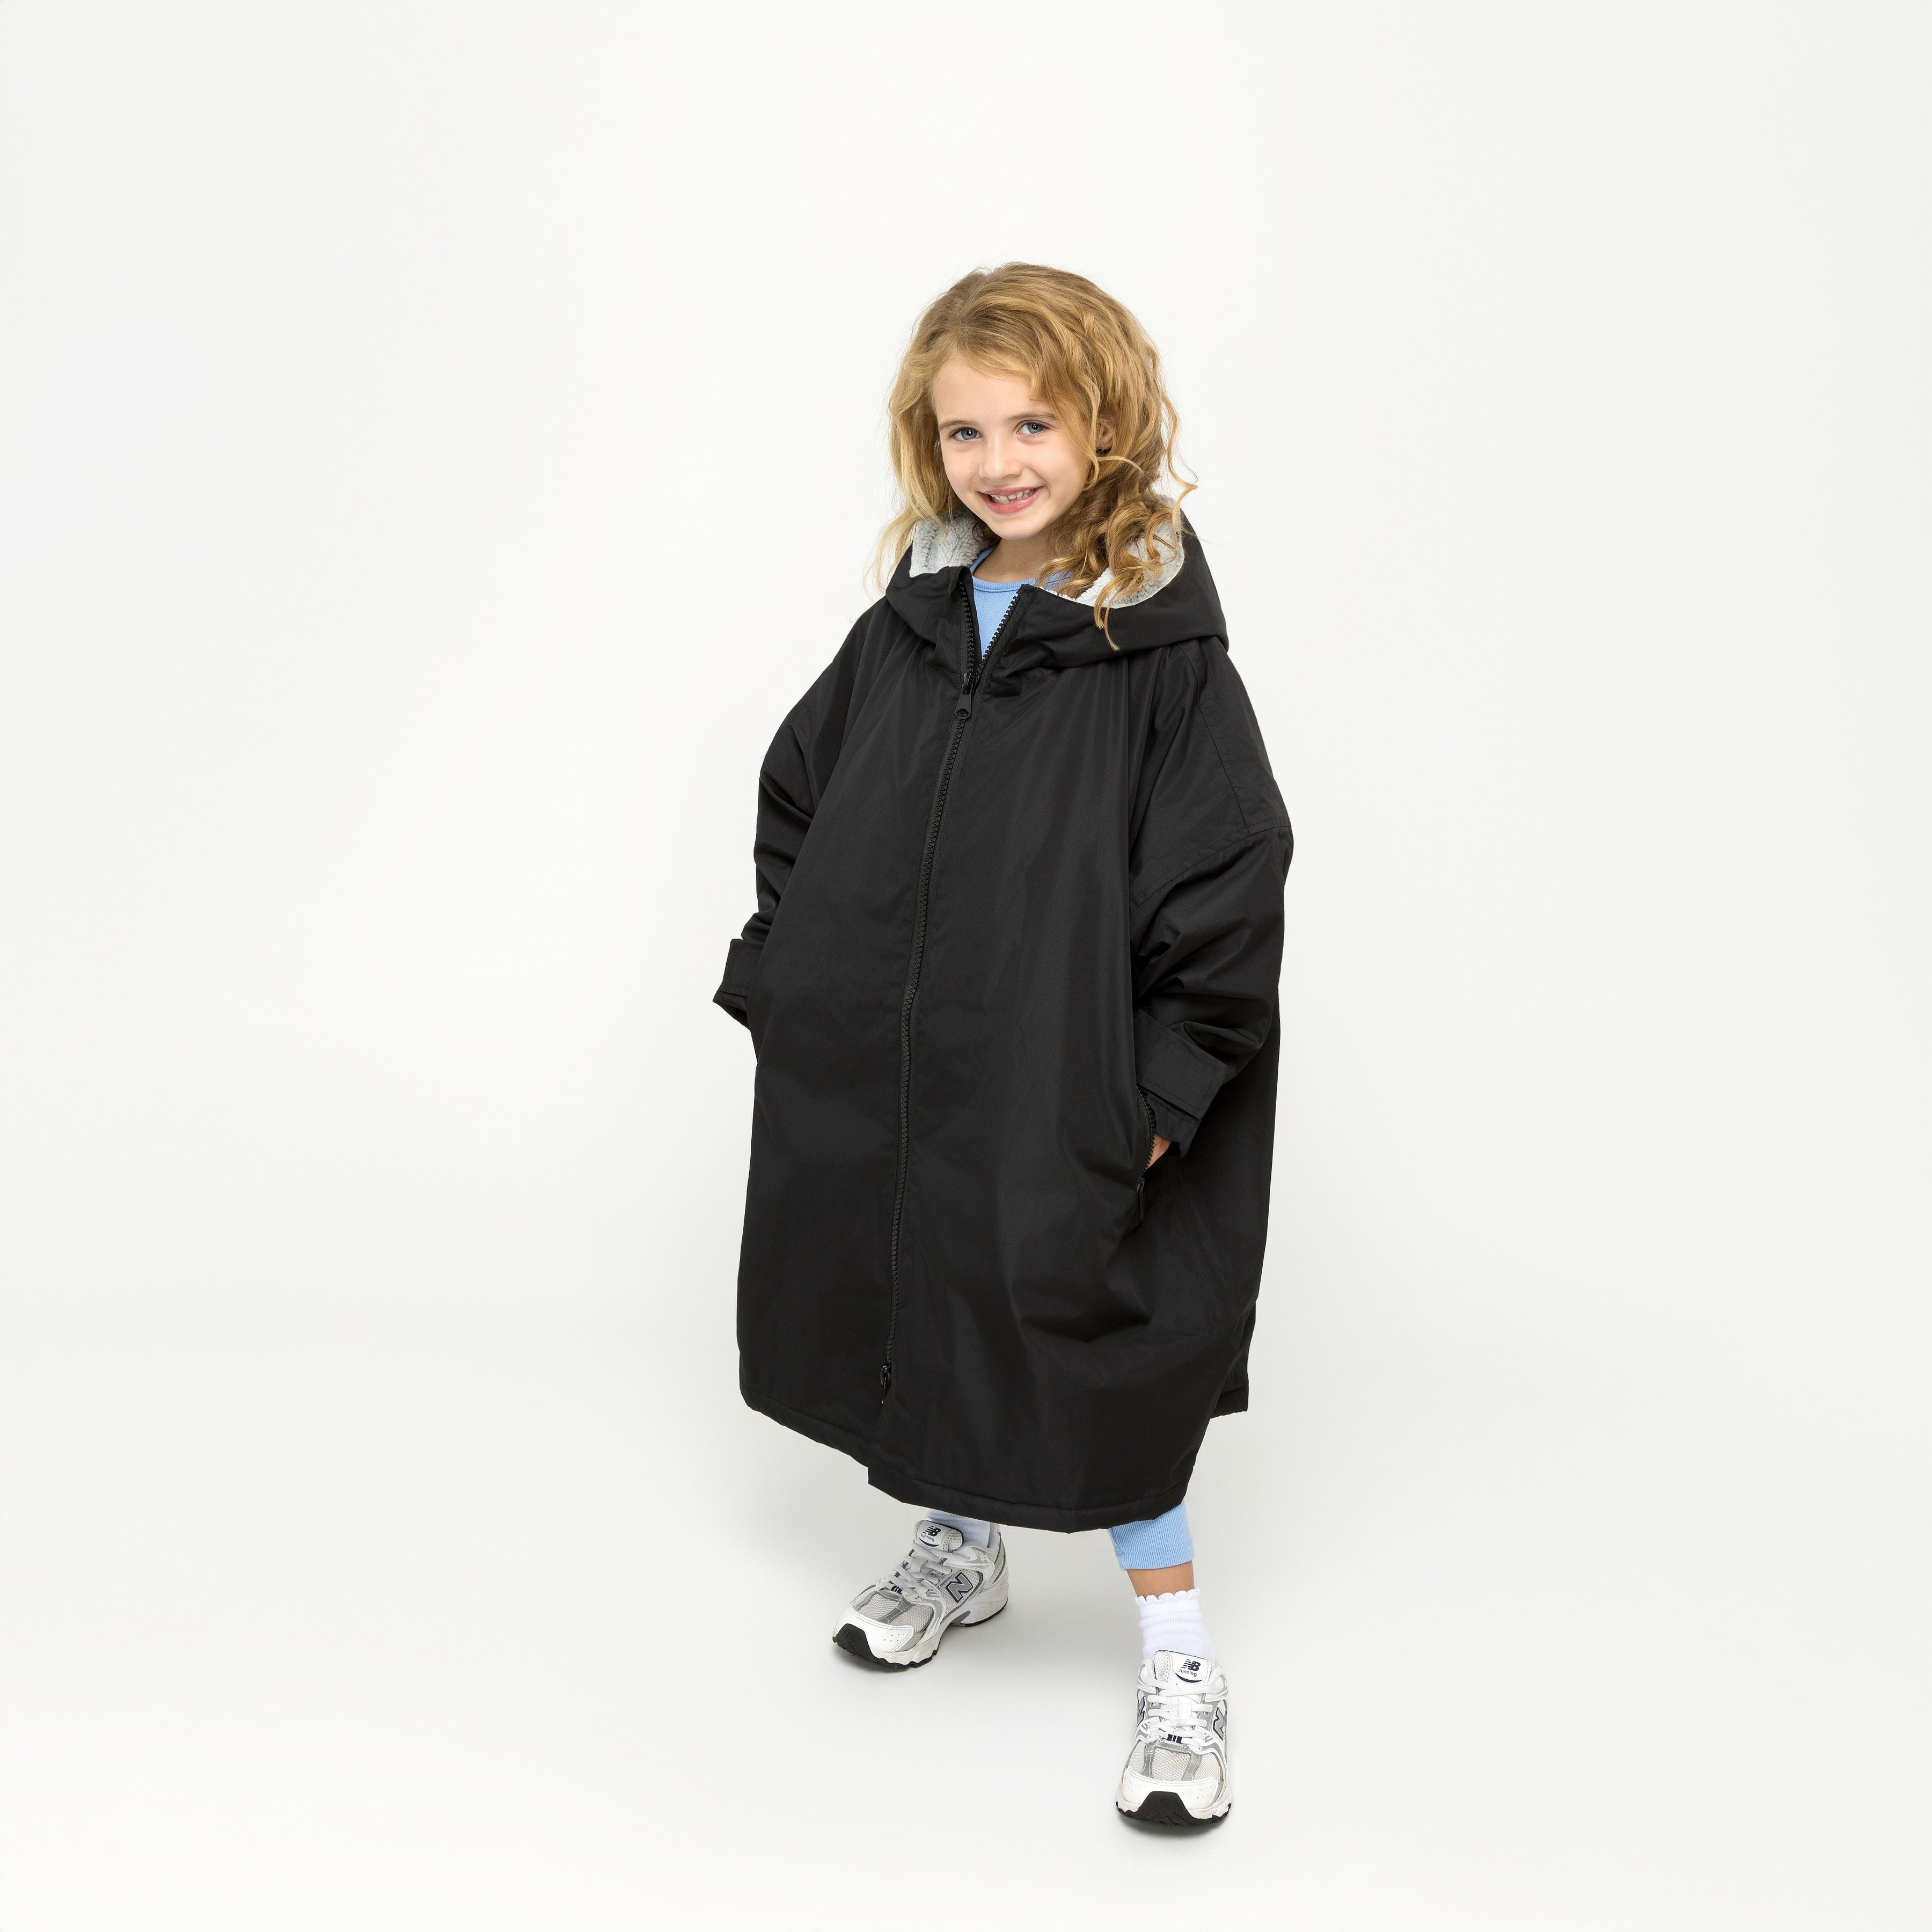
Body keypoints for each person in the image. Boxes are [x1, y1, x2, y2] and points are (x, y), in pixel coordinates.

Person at [713, 262, 1291, 1826]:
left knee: (1084, 1337)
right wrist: (787, 984)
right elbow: (802, 796)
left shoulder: (1158, 660)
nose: (999, 461)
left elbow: (1228, 885)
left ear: (1108, 422)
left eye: (1034, 423)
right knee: (926, 1290)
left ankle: (1177, 1649)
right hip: (898, 1070)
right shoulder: (904, 631)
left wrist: (1157, 1094)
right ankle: (963, 1550)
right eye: (965, 431)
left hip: (1059, 1077)